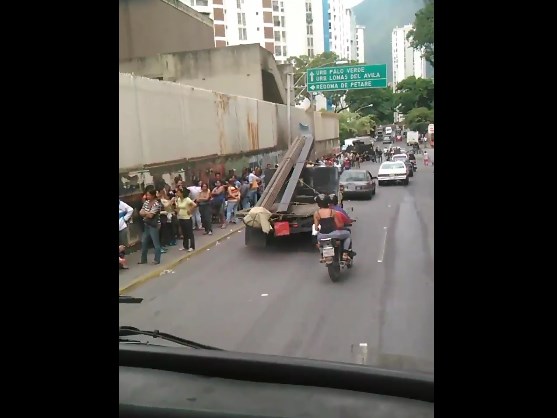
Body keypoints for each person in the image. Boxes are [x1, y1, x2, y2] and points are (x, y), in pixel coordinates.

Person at [313, 194, 351, 262]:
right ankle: (345, 253)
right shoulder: (332, 211)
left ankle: (322, 255)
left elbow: (316, 228)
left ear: (318, 204)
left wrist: (318, 230)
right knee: (348, 234)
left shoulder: (316, 213)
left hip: (322, 236)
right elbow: (338, 225)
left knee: (319, 243)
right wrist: (342, 225)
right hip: (334, 234)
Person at [139, 189, 163, 265]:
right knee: (143, 242)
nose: (147, 196)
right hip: (146, 224)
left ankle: (157, 259)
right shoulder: (146, 202)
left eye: (149, 195)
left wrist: (145, 213)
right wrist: (147, 213)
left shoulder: (157, 204)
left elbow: (151, 215)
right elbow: (140, 212)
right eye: (147, 195)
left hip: (154, 225)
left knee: (156, 243)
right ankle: (143, 259)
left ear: (153, 195)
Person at [175, 188, 196, 252]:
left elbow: (194, 205)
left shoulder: (187, 199)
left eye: (178, 192)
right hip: (181, 217)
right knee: (184, 232)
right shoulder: (178, 199)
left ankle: (192, 246)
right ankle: (185, 246)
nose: (177, 193)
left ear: (182, 193)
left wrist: (190, 210)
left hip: (187, 218)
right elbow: (178, 207)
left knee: (189, 232)